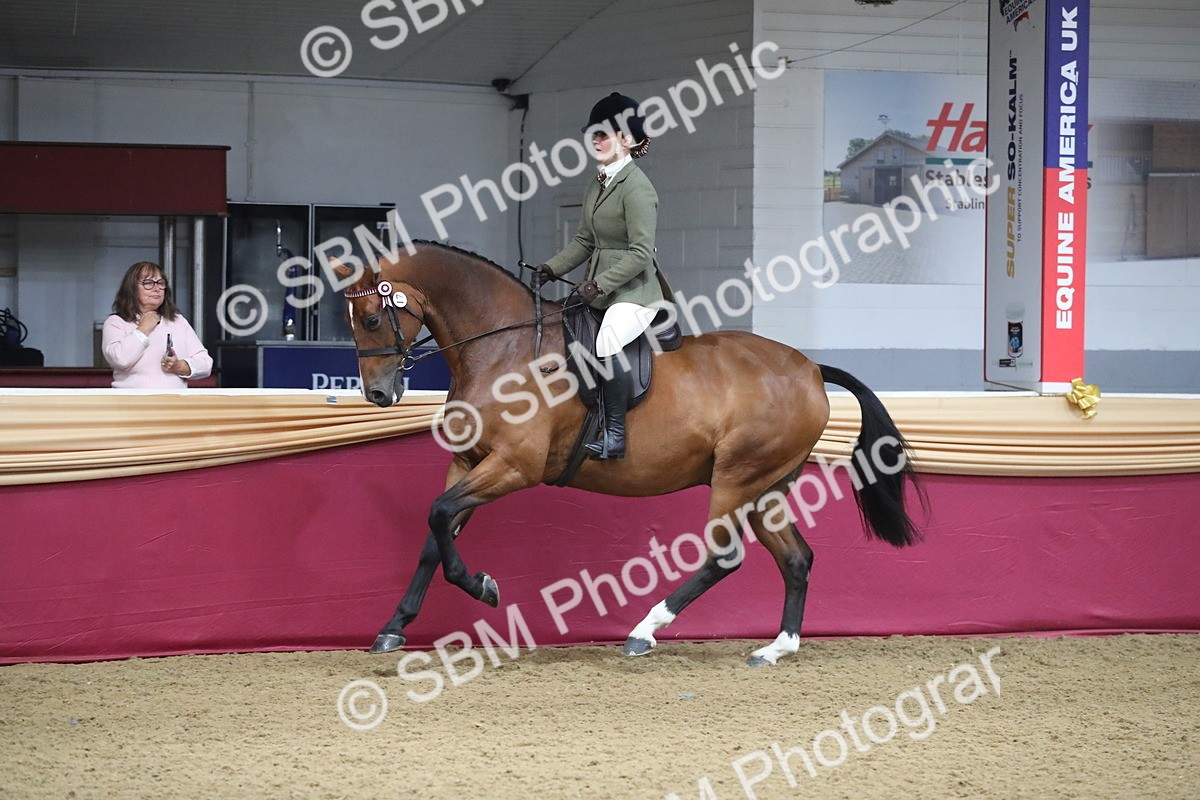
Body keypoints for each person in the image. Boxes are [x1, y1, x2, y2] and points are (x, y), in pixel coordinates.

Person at [535, 92, 670, 461]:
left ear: (626, 139)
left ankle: (614, 436)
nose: (595, 140)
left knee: (608, 339)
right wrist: (550, 268)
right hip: (599, 290)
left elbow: (642, 254)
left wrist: (600, 283)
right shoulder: (596, 184)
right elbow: (583, 241)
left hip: (634, 292)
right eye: (593, 134)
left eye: (604, 134)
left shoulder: (639, 188)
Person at [102, 261, 213, 388]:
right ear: (131, 288)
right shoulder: (116, 322)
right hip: (131, 404)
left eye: (161, 283)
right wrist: (143, 328)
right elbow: (119, 359)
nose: (157, 288)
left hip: (174, 403)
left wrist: (179, 366)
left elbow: (206, 364)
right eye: (148, 283)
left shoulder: (178, 321)